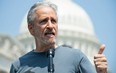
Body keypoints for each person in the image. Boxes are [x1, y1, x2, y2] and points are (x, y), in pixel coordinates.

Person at [10, 1, 107, 73]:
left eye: (53, 21)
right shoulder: (18, 66)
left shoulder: (76, 58)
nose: (50, 26)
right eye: (44, 21)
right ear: (31, 29)